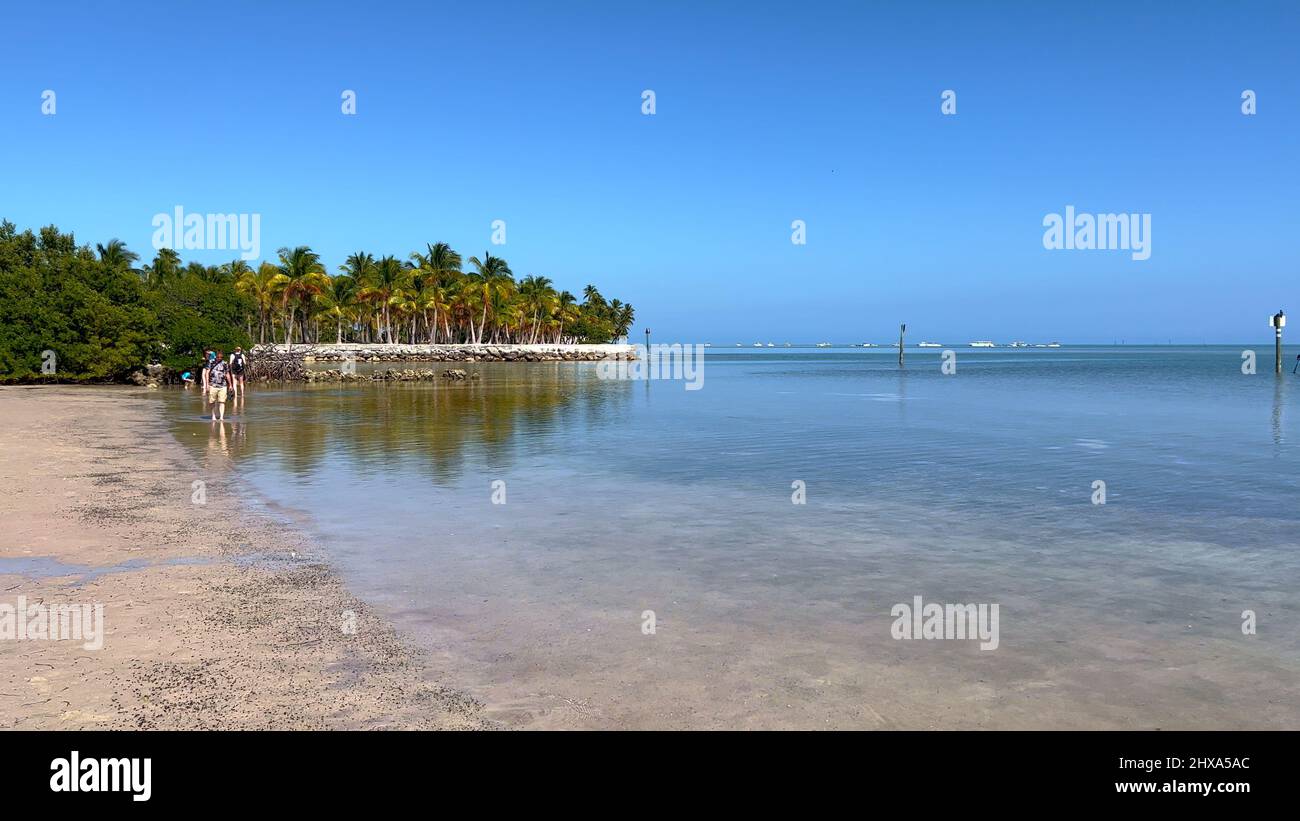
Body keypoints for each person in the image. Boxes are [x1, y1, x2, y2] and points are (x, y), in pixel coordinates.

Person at [208, 349, 231, 421]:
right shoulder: (211, 362)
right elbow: (207, 373)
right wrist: (206, 384)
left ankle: (221, 417)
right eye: (218, 357)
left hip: (223, 385)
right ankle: (213, 416)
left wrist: (230, 385)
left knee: (222, 401)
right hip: (212, 385)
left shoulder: (225, 363)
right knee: (212, 401)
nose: (219, 358)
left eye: (221, 357)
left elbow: (227, 374)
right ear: (216, 357)